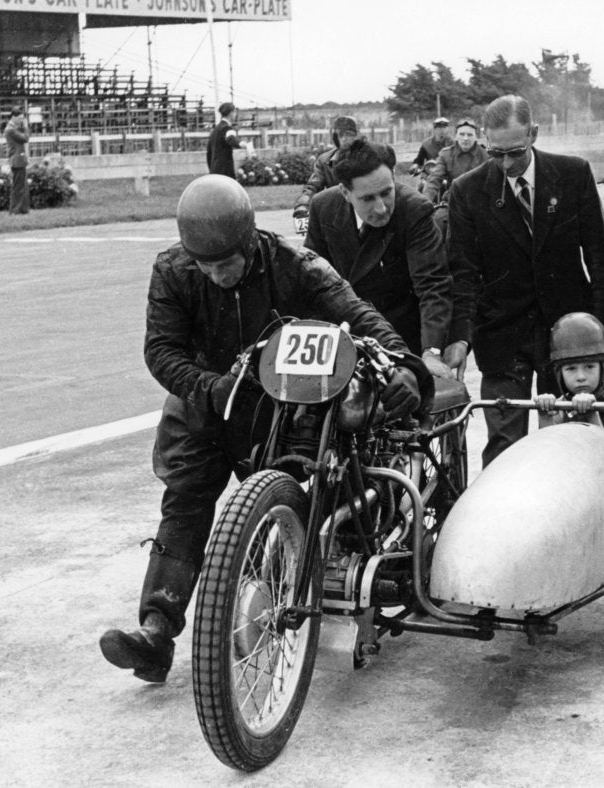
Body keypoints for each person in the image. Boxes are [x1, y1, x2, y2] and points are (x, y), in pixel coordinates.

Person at [99, 175, 430, 683]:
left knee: (293, 497)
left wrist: (404, 365)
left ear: (251, 241)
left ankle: (274, 605)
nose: (215, 275)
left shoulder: (297, 266)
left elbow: (358, 315)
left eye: (225, 263)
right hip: (203, 401)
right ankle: (155, 633)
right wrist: (212, 387)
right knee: (184, 501)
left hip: (278, 409)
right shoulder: (173, 269)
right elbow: (161, 351)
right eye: (204, 265)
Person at [446, 94, 604, 467]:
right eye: (495, 154)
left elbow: (599, 256)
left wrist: (601, 334)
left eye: (515, 152)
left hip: (570, 335)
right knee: (505, 449)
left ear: (534, 134)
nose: (506, 164)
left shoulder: (573, 174)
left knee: (579, 439)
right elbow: (463, 276)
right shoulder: (466, 191)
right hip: (503, 336)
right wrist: (459, 338)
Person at [303, 140, 453, 378]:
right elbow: (311, 284)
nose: (382, 208)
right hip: (347, 338)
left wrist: (432, 353)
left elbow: (432, 286)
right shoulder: (322, 207)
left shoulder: (415, 209)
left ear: (393, 177)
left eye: (386, 192)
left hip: (404, 343)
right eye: (368, 199)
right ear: (345, 192)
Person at [534, 312, 604, 447]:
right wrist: (545, 416)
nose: (581, 377)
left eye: (589, 367)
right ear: (559, 374)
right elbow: (549, 454)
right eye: (571, 369)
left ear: (603, 369)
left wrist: (591, 414)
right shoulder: (558, 408)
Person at [422, 118, 489, 236]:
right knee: (435, 225)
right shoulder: (446, 154)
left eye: (470, 135)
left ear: (476, 137)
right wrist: (424, 202)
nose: (465, 138)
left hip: (479, 204)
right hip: (452, 203)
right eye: (462, 134)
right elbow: (434, 179)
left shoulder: (486, 155)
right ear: (456, 136)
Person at [292, 115, 361, 224]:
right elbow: (313, 186)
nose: (344, 138)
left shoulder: (369, 157)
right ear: (335, 137)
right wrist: (303, 204)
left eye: (348, 134)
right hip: (338, 213)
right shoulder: (325, 160)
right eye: (340, 135)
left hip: (366, 208)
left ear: (356, 136)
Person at [206, 101, 244, 178]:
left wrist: (211, 169)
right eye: (235, 112)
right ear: (231, 113)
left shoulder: (215, 130)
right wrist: (241, 143)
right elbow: (231, 138)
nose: (235, 115)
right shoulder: (226, 128)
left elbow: (208, 152)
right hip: (225, 171)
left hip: (214, 170)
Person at [4, 107, 30, 215]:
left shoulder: (12, 128)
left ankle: (22, 209)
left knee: (22, 186)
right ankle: (15, 210)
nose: (21, 121)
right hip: (17, 160)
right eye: (19, 118)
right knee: (18, 187)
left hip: (18, 159)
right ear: (13, 117)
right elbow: (25, 138)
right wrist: (26, 127)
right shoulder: (11, 129)